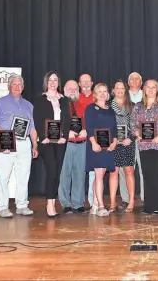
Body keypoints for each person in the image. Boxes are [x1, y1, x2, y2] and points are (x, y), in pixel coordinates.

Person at [0, 75, 38, 218]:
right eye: (14, 84)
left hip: (25, 143)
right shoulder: (0, 103)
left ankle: (22, 205)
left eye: (20, 84)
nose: (17, 86)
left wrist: (35, 145)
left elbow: (32, 128)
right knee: (3, 176)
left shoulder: (29, 105)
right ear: (8, 86)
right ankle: (2, 207)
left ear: (23, 87)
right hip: (7, 142)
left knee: (23, 175)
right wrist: (4, 141)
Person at [130, 79, 158, 214]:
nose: (151, 89)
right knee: (147, 175)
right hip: (144, 146)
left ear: (157, 89)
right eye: (148, 87)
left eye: (153, 87)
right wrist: (137, 133)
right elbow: (133, 124)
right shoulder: (138, 106)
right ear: (144, 89)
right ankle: (148, 206)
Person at [33, 71, 70, 218]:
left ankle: (53, 203)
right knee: (52, 169)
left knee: (58, 171)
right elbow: (37, 119)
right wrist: (42, 137)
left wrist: (65, 136)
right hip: (46, 141)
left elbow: (67, 120)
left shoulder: (64, 100)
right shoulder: (40, 99)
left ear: (58, 82)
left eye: (55, 80)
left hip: (60, 141)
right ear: (46, 82)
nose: (53, 83)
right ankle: (49, 204)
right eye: (50, 80)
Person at [85, 83, 117, 217]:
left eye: (105, 91)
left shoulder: (110, 110)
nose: (103, 93)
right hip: (96, 146)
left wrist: (114, 142)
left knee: (101, 175)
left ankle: (94, 205)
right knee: (99, 175)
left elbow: (114, 128)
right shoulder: (91, 108)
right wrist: (93, 142)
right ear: (95, 94)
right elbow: (89, 126)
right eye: (100, 91)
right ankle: (101, 207)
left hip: (108, 147)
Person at [58, 80, 89, 214]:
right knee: (65, 174)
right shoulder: (58, 104)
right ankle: (65, 203)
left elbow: (89, 122)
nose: (72, 90)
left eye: (75, 88)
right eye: (70, 88)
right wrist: (64, 132)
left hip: (81, 143)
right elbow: (52, 123)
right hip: (66, 144)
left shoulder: (82, 106)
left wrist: (86, 130)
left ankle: (78, 203)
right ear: (64, 89)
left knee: (80, 174)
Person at [118, 72, 144, 210]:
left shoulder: (146, 95)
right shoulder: (122, 96)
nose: (134, 81)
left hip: (140, 138)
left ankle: (145, 197)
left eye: (137, 79)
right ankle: (125, 198)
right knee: (124, 169)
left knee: (143, 168)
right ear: (128, 82)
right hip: (125, 139)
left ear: (141, 82)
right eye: (131, 79)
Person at [109, 80, 136, 213]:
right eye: (117, 88)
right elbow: (106, 125)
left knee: (129, 171)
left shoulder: (132, 106)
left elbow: (136, 125)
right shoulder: (107, 106)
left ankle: (131, 201)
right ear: (113, 90)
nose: (119, 91)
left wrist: (130, 138)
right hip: (113, 144)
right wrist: (113, 140)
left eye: (122, 88)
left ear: (126, 90)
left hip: (128, 143)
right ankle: (113, 203)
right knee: (113, 173)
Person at [78, 74, 96, 209]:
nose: (85, 83)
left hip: (93, 139)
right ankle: (77, 202)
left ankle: (93, 201)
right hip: (77, 139)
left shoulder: (97, 97)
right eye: (83, 81)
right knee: (78, 171)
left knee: (93, 172)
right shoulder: (73, 98)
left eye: (88, 81)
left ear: (92, 82)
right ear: (79, 84)